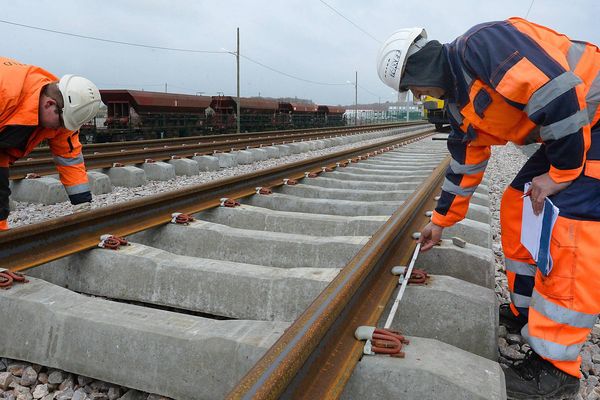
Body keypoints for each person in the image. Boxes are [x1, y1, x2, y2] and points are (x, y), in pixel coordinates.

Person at [377, 18, 599, 399]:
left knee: (569, 227)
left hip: (592, 115)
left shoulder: (483, 47)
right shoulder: (459, 106)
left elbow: (559, 93)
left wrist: (561, 175)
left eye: (412, 87)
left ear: (420, 67)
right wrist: (441, 222)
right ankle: (526, 311)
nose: (417, 96)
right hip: (569, 127)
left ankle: (558, 370)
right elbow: (465, 165)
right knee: (519, 202)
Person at [0, 57, 102, 231]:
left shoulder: (65, 109)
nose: (62, 128)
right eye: (61, 123)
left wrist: (82, 205)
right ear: (49, 104)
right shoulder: (7, 94)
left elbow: (70, 159)